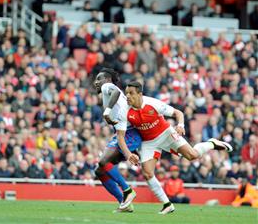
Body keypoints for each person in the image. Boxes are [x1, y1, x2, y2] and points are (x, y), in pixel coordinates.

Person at [125, 81, 232, 214]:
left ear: (140, 94)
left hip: (166, 134)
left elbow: (178, 113)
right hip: (149, 142)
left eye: (131, 93)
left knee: (192, 155)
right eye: (126, 93)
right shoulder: (125, 109)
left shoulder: (153, 104)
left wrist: (180, 125)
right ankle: (167, 204)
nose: (128, 96)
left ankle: (211, 144)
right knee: (147, 173)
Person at [94, 68, 141, 212]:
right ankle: (124, 203)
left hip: (130, 133)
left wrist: (107, 111)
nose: (96, 82)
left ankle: (127, 191)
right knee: (100, 171)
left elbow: (114, 92)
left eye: (99, 79)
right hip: (123, 133)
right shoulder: (110, 94)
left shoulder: (108, 87)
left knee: (103, 162)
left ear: (107, 80)